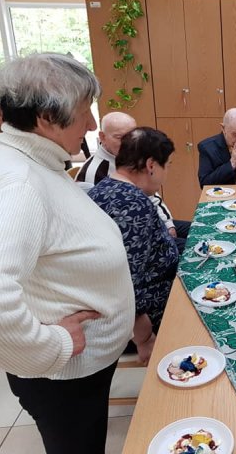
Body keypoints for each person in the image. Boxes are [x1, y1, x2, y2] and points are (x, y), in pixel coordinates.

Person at [0, 53, 135, 454]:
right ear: (46, 118)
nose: (93, 124)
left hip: (80, 372)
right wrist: (50, 346)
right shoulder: (20, 182)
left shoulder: (38, 163)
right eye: (83, 112)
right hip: (62, 377)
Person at [89, 127, 180, 353]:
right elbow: (126, 280)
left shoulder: (104, 188)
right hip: (149, 314)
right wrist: (144, 337)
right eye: (167, 166)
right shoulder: (132, 205)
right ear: (151, 166)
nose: (166, 174)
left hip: (138, 304)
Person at [77, 111, 191, 253]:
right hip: (125, 234)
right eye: (120, 138)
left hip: (145, 221)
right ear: (102, 137)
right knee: (195, 247)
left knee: (198, 231)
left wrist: (168, 224)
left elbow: (151, 196)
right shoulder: (95, 173)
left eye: (132, 137)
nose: (128, 144)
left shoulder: (129, 160)